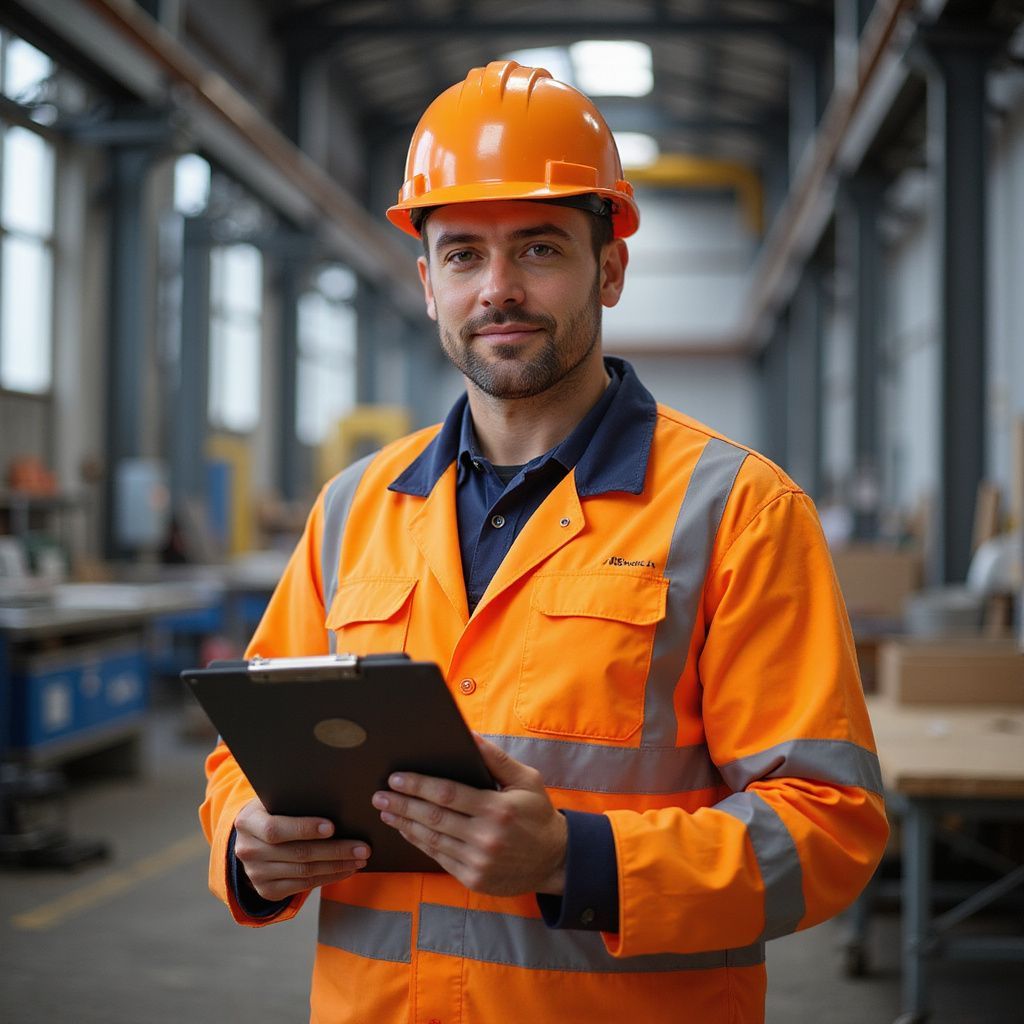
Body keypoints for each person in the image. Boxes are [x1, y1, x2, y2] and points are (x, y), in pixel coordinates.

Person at [201, 59, 888, 1023]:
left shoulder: (737, 511)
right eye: (463, 256)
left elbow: (830, 829)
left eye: (539, 250)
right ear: (427, 282)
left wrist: (578, 858)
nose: (499, 290)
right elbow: (249, 745)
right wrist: (249, 843)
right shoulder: (353, 508)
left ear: (609, 267)